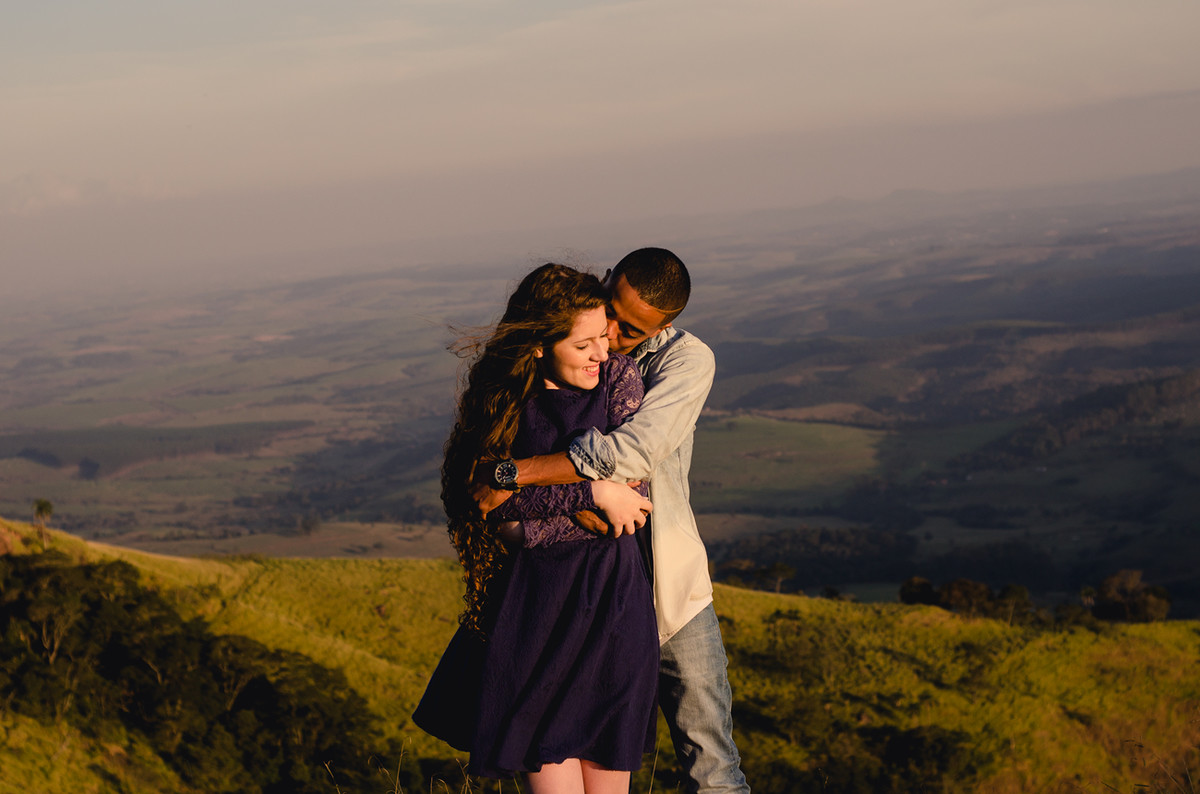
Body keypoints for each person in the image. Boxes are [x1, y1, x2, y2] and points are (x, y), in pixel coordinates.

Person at [474, 247, 751, 794]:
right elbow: (486, 498)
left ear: (663, 327)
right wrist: (554, 503)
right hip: (572, 591)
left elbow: (631, 456)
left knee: (711, 765)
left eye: (631, 329)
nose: (614, 335)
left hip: (668, 585)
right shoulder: (569, 344)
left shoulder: (685, 362)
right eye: (611, 313)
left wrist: (517, 475)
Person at [415, 263, 660, 794]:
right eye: (584, 345)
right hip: (536, 617)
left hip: (615, 613)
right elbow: (489, 506)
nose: (602, 353)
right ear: (537, 346)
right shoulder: (502, 401)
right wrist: (592, 492)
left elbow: (631, 500)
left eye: (603, 337)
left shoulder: (619, 380)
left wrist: (533, 505)